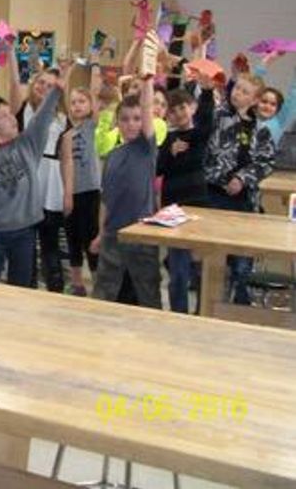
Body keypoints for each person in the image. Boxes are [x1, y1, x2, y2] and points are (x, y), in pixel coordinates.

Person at [0, 64, 69, 289]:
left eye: (10, 113)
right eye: (4, 117)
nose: (13, 119)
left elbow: (42, 118)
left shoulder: (28, 144)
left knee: (21, 286)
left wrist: (56, 91)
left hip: (24, 232)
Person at [202, 72, 275, 305]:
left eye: (245, 92)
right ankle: (209, 305)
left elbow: (266, 162)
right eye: (237, 88)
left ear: (254, 100)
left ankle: (240, 303)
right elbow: (208, 151)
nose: (238, 94)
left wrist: (242, 179)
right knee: (214, 258)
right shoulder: (219, 116)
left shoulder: (261, 129)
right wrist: (225, 180)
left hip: (244, 199)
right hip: (216, 194)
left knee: (242, 260)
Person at [91, 74, 161, 308]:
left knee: (148, 292)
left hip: (141, 233)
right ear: (117, 122)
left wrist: (148, 82)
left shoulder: (146, 149)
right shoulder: (113, 156)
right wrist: (101, 233)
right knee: (105, 293)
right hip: (113, 234)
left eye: (137, 119)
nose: (131, 124)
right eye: (125, 119)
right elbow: (105, 200)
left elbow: (147, 108)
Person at [8, 43, 67, 292]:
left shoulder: (61, 118)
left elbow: (67, 158)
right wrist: (11, 53)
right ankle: (27, 287)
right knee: (26, 242)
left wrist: (68, 191)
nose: (44, 87)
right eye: (41, 82)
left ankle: (55, 289)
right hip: (27, 177)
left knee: (50, 241)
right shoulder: (24, 109)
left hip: (51, 182)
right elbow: (14, 84)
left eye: (51, 85)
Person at [157, 82, 215, 313]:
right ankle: (178, 314)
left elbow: (207, 120)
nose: (179, 114)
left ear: (192, 107)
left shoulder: (199, 135)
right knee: (178, 271)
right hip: (174, 208)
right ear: (167, 115)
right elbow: (157, 169)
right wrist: (169, 153)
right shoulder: (167, 139)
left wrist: (207, 92)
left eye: (182, 107)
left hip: (199, 205)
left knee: (201, 268)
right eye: (172, 111)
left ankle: (201, 313)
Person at [59, 56, 104, 296]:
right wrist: (68, 71)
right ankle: (77, 284)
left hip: (90, 191)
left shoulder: (91, 125)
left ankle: (98, 282)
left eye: (81, 101)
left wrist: (93, 65)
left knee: (91, 238)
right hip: (71, 192)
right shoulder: (68, 130)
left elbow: (94, 91)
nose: (77, 106)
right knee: (73, 237)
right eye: (74, 102)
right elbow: (63, 95)